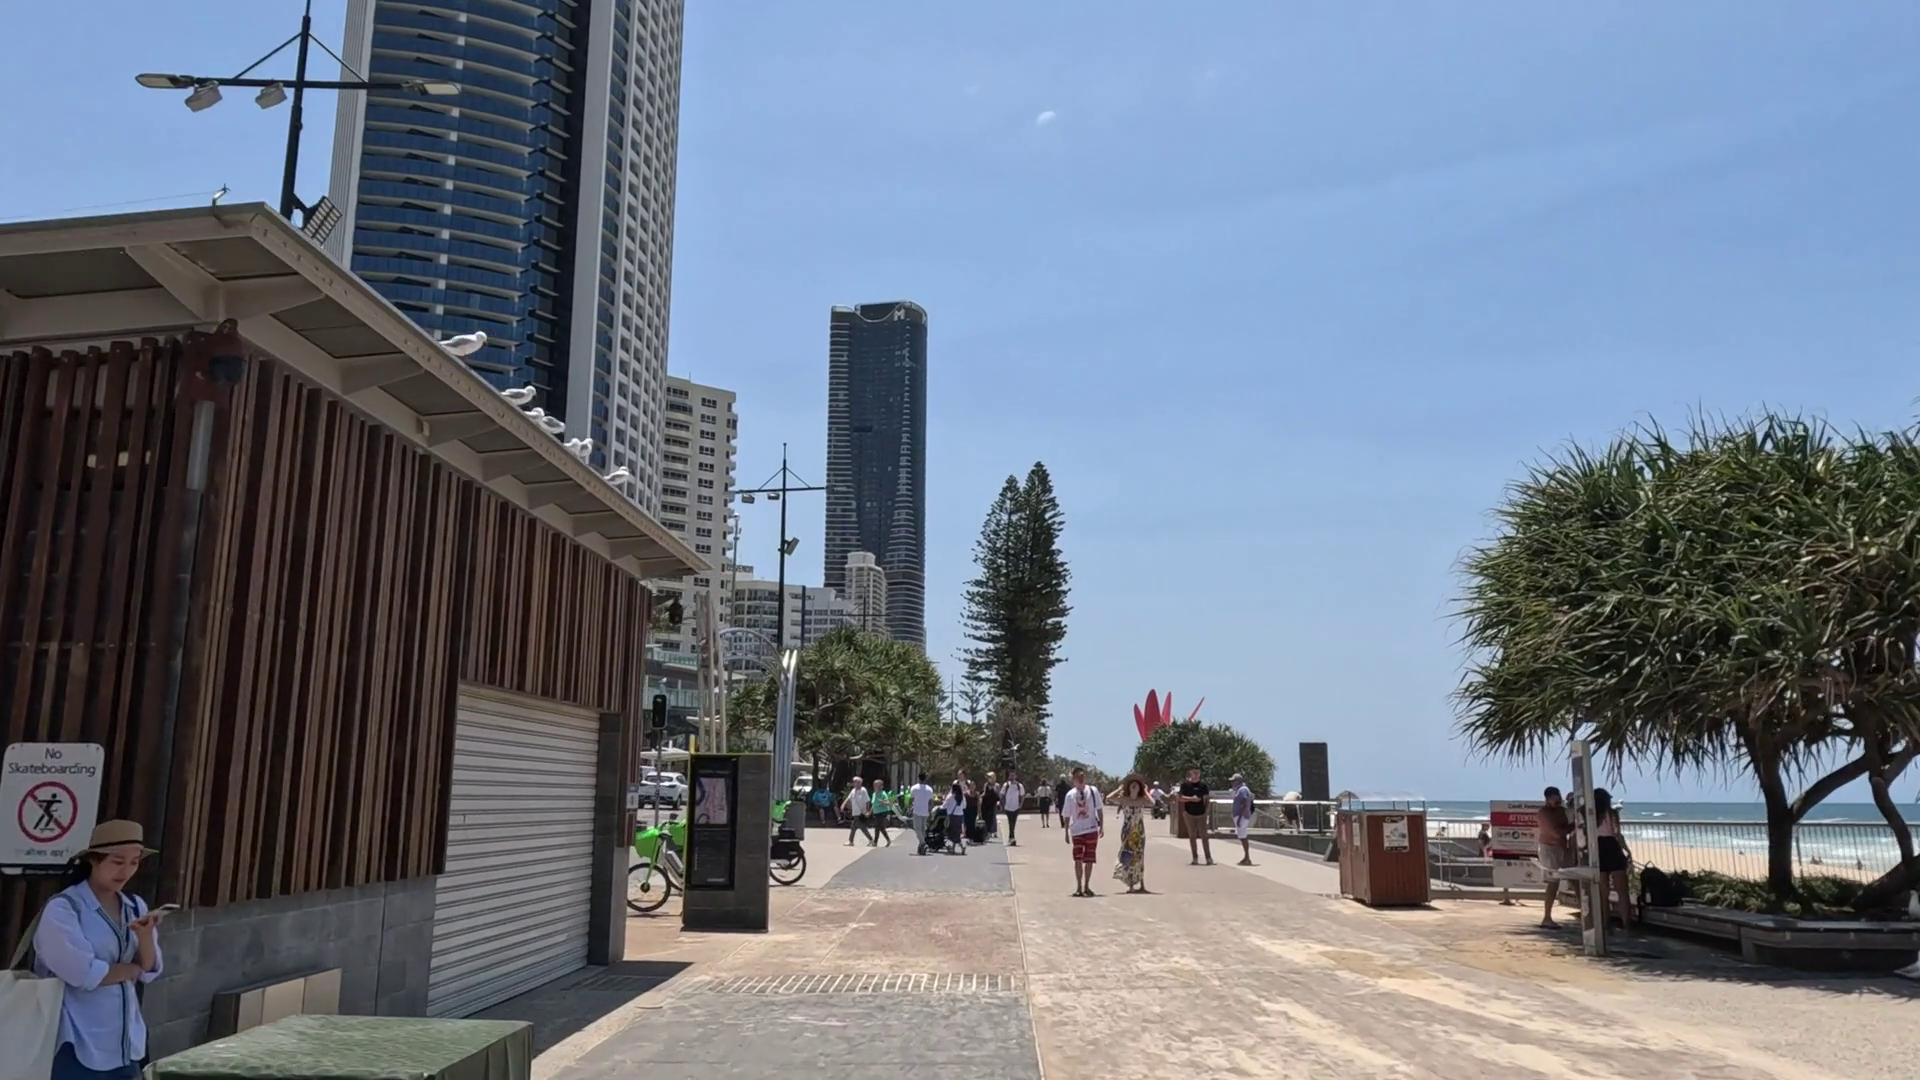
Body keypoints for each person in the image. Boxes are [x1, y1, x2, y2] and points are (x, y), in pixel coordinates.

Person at [33, 820, 168, 1080]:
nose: (125, 871)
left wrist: (145, 937)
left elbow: (150, 970)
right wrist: (131, 970)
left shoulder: (135, 905)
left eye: (134, 862)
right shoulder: (64, 908)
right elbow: (83, 974)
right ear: (94, 861)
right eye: (117, 862)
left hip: (126, 1039)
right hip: (76, 1038)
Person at [1535, 785, 1577, 927]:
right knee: (1553, 883)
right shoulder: (1544, 813)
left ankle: (1586, 912)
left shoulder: (1561, 810)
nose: (1557, 802)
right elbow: (1556, 833)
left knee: (1574, 877)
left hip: (1562, 848)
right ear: (1547, 799)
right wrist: (1573, 826)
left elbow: (1569, 816)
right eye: (1554, 800)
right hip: (1549, 848)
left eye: (1558, 799)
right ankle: (1547, 917)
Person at [1593, 788, 1634, 932]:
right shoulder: (1612, 813)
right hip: (1612, 846)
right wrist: (1627, 850)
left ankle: (1606, 922)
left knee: (1603, 890)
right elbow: (1617, 834)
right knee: (1622, 890)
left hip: (1598, 847)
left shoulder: (1591, 815)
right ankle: (1626, 923)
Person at [1060, 768, 1105, 896]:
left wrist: (1102, 826)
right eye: (1078, 776)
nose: (1081, 778)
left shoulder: (1093, 791)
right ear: (1073, 779)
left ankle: (1087, 886)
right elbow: (1067, 815)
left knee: (1089, 859)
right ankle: (1079, 887)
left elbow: (1099, 809)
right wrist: (1066, 831)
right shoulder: (1070, 795)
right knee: (1077, 859)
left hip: (1091, 829)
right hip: (1077, 831)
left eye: (1082, 776)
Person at [1107, 775, 1152, 893]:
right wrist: (1119, 789)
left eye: (1137, 784)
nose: (1134, 786)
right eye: (1132, 784)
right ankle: (1131, 884)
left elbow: (1152, 802)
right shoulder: (1124, 799)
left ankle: (1142, 884)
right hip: (1127, 830)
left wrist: (1146, 791)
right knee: (1128, 855)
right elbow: (1109, 797)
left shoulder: (1142, 800)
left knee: (1140, 856)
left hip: (1139, 830)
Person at [1177, 766, 1213, 865]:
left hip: (1201, 814)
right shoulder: (1185, 785)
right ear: (1191, 773)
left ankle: (1208, 858)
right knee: (1192, 836)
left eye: (1198, 773)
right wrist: (1191, 799)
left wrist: (1206, 811)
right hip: (1189, 813)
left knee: (1204, 836)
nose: (1196, 774)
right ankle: (1195, 857)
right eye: (1194, 772)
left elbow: (1207, 798)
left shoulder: (1203, 786)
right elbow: (1180, 798)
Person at [1228, 772, 1255, 866]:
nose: (1232, 783)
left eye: (1234, 781)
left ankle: (1247, 857)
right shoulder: (1240, 789)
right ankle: (1246, 857)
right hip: (1241, 816)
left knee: (1243, 837)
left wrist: (1240, 818)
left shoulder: (1242, 790)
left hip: (1242, 816)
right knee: (1242, 836)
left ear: (1238, 781)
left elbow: (1245, 804)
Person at [841, 778, 875, 847]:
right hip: (855, 812)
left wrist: (867, 811)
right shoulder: (853, 791)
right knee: (857, 827)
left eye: (855, 782)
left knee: (857, 827)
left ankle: (852, 841)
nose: (854, 783)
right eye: (853, 782)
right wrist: (843, 805)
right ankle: (870, 840)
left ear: (860, 783)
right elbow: (848, 798)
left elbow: (867, 801)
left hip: (861, 812)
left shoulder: (863, 790)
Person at [909, 774, 936, 854]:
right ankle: (921, 846)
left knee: (917, 829)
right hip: (925, 812)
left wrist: (909, 808)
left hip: (917, 811)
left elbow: (911, 800)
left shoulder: (914, 788)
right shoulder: (929, 789)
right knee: (922, 830)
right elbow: (931, 802)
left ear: (919, 778)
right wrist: (930, 811)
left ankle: (923, 843)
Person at [1000, 772, 1027, 847]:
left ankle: (1011, 838)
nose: (1012, 777)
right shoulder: (1006, 785)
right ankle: (1012, 838)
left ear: (1016, 776)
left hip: (1016, 807)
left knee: (1013, 822)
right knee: (1010, 822)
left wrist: (1021, 804)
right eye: (1011, 775)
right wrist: (1002, 804)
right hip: (1008, 807)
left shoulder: (1019, 786)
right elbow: (1001, 794)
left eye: (1013, 775)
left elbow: (1022, 795)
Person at [943, 781, 968, 855]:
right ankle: (953, 848)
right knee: (957, 832)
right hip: (960, 815)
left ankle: (962, 846)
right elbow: (964, 806)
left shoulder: (951, 796)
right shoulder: (962, 797)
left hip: (953, 816)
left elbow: (944, 805)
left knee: (952, 833)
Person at [981, 772, 1001, 841]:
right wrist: (980, 796)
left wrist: (999, 802)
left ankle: (994, 831)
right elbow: (984, 792)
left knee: (993, 816)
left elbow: (998, 794)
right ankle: (988, 831)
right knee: (987, 817)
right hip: (987, 802)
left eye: (990, 777)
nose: (989, 779)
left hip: (994, 802)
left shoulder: (997, 785)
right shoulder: (986, 785)